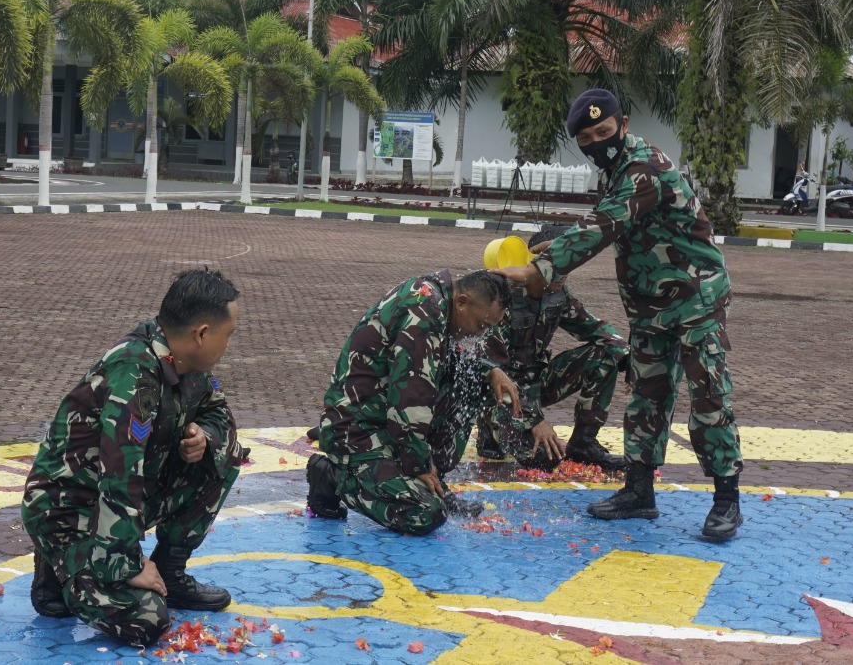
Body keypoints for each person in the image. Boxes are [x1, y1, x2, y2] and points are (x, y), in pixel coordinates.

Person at [490, 88, 743, 541]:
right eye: (587, 137)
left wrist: (541, 269)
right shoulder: (618, 168)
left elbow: (607, 224)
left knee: (708, 396)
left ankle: (727, 500)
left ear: (622, 124)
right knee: (647, 395)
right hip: (650, 307)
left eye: (604, 131)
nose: (597, 143)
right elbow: (614, 218)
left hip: (695, 299)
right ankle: (639, 493)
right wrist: (560, 244)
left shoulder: (645, 167)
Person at [21, 269, 246, 646]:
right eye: (229, 334)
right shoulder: (135, 373)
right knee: (146, 620)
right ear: (202, 333)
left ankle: (170, 572)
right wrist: (128, 565)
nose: (228, 344)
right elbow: (120, 476)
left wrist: (204, 436)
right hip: (69, 511)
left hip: (117, 502)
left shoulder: (186, 364)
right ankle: (62, 566)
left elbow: (218, 414)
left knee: (225, 455)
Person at [306, 269, 517, 535]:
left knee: (473, 380)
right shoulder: (424, 313)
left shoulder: (444, 301)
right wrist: (417, 465)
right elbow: (410, 398)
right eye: (482, 325)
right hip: (358, 428)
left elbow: (454, 363)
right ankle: (333, 476)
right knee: (425, 514)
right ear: (462, 302)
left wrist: (490, 370)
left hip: (385, 420)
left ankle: (434, 481)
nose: (481, 334)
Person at [478, 230, 629, 471]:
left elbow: (595, 328)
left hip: (536, 383)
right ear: (533, 264)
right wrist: (534, 420)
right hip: (498, 393)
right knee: (543, 461)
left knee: (605, 354)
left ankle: (584, 443)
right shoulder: (502, 300)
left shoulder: (557, 294)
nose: (563, 272)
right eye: (555, 264)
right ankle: (490, 429)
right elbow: (487, 368)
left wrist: (631, 361)